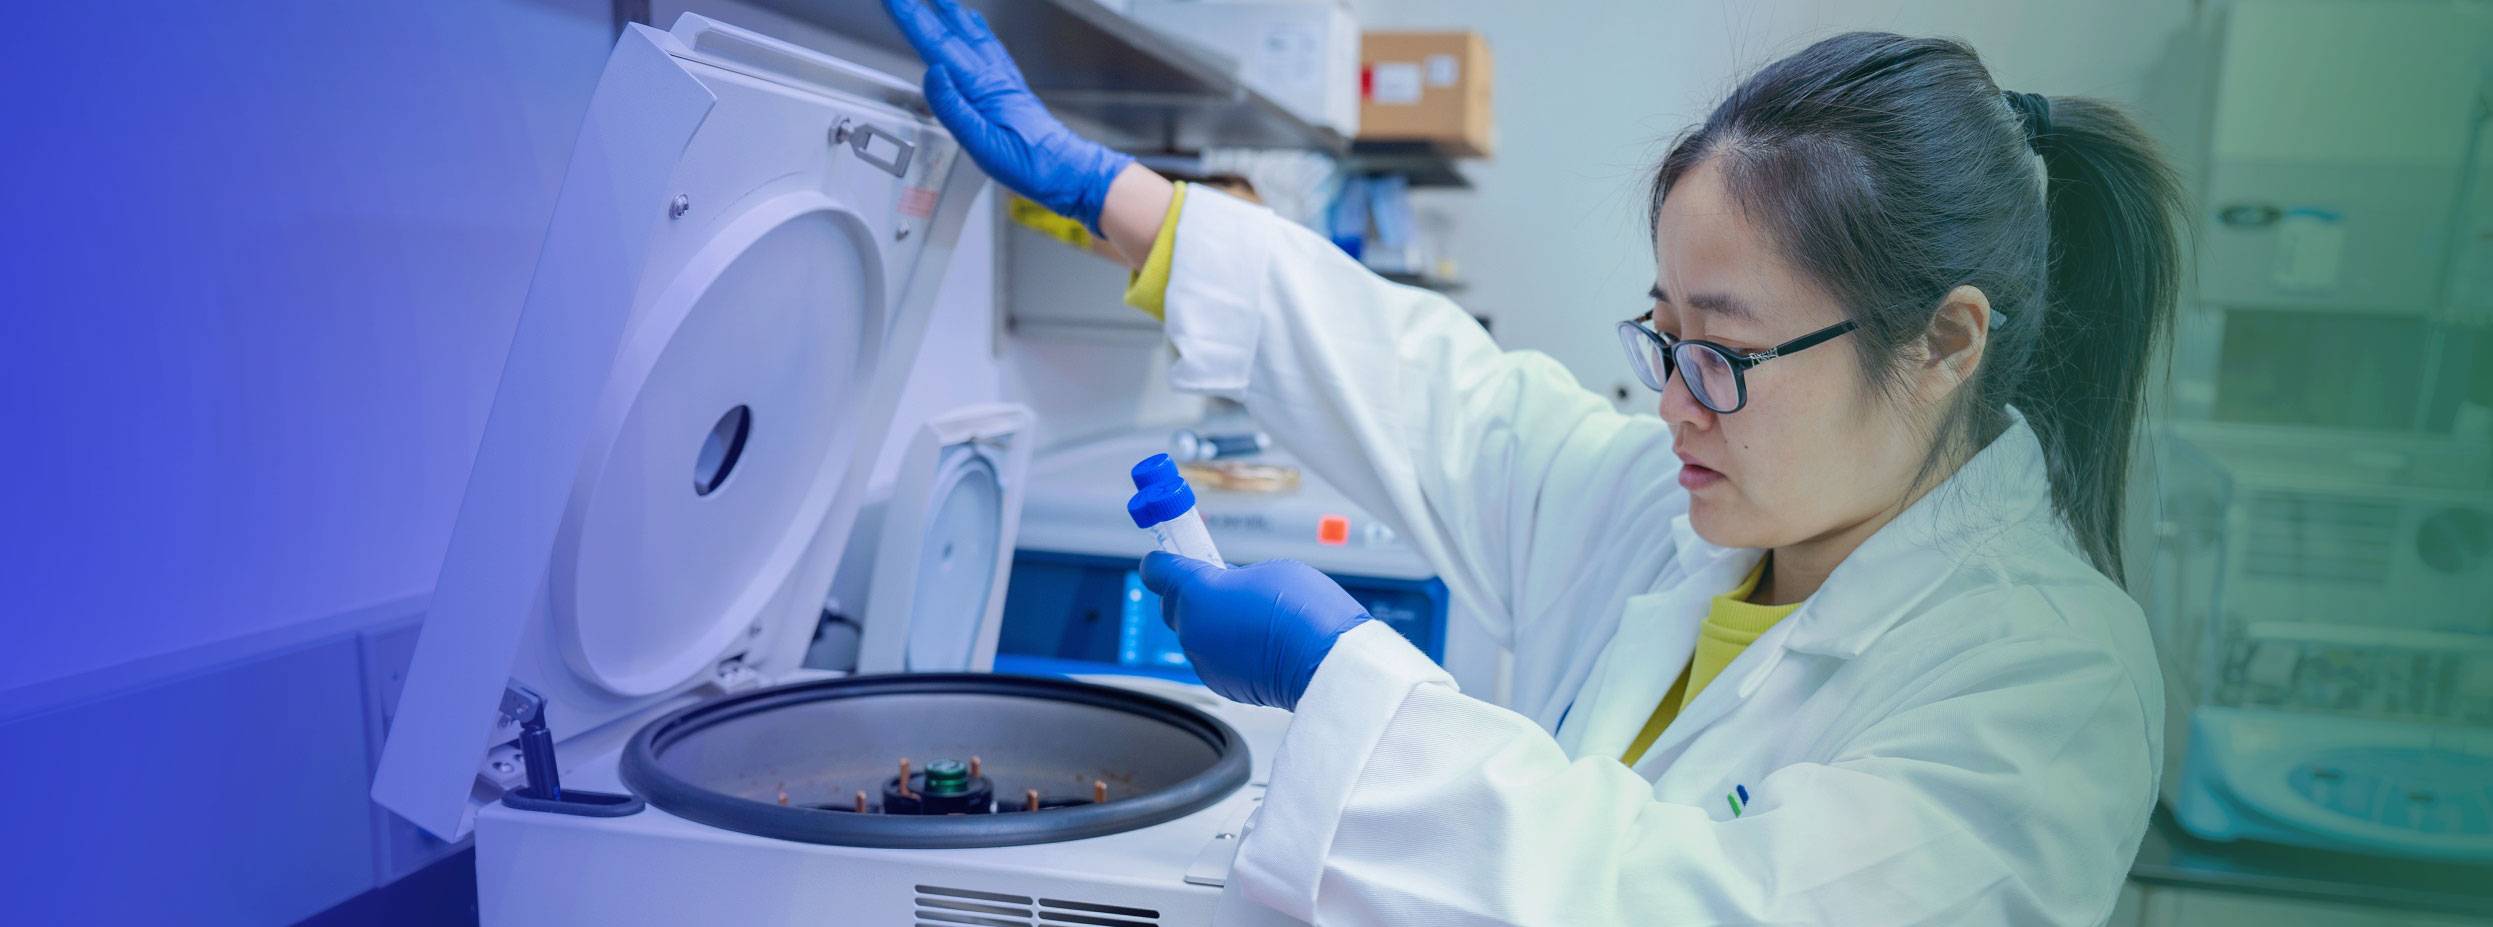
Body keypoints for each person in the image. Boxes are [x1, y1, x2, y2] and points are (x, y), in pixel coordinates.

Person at [887, 2, 2180, 923]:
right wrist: (1119, 196)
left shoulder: (2050, 678)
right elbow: (1446, 396)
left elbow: (1682, 906)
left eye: (1722, 352)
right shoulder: (1696, 517)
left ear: (1944, 342)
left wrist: (1342, 680)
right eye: (1660, 336)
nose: (1672, 402)